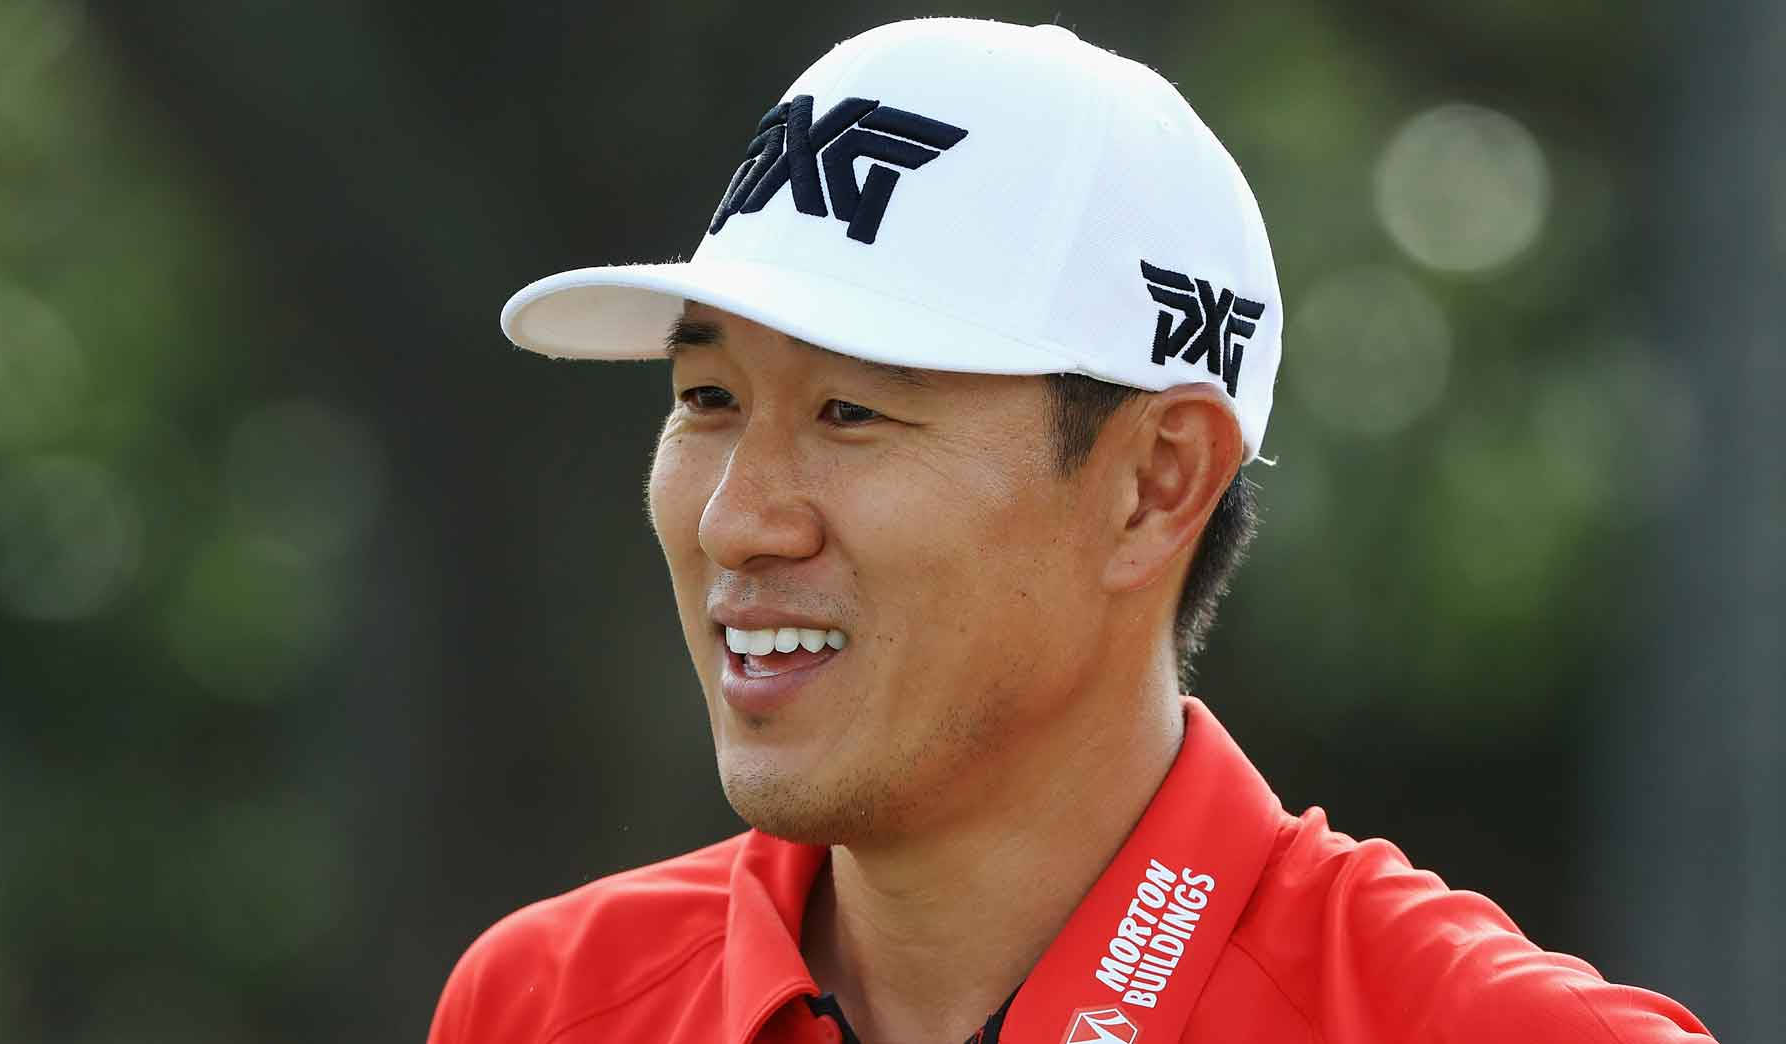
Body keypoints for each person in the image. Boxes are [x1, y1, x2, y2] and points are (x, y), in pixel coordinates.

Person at [428, 16, 1717, 1044]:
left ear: (1155, 484)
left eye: (851, 411)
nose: (736, 519)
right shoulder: (542, 1005)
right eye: (707, 399)